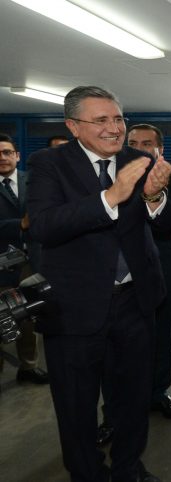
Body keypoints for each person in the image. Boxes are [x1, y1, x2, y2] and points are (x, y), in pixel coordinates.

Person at [26, 85, 171, 482]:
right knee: (76, 403)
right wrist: (112, 195)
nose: (114, 128)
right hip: (74, 307)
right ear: (74, 126)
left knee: (133, 397)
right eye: (101, 120)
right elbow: (43, 226)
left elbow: (167, 223)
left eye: (118, 118)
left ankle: (129, 469)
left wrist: (154, 196)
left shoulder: (141, 159)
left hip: (135, 301)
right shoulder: (48, 164)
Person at [96, 124, 171, 446]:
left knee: (162, 337)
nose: (138, 147)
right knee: (114, 348)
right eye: (132, 142)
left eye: (146, 143)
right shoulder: (110, 181)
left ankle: (158, 393)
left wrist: (156, 196)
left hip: (163, 270)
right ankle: (113, 413)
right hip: (118, 279)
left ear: (159, 149)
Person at [0, 133, 49, 388]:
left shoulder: (34, 181)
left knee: (27, 316)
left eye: (7, 152)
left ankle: (28, 367)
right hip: (2, 264)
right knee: (3, 318)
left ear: (17, 156)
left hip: (33, 261)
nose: (3, 157)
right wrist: (19, 223)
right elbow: (26, 221)